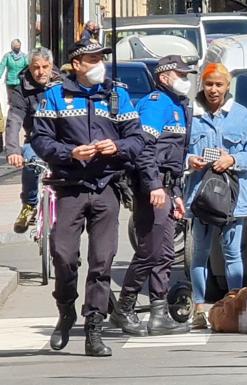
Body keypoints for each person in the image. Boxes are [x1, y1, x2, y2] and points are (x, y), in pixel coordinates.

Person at [31, 39, 144, 356]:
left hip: (106, 187)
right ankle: (66, 309)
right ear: (76, 64)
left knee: (102, 261)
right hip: (69, 187)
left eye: (101, 59)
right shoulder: (55, 96)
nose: (99, 64)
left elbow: (137, 139)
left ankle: (94, 327)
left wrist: (117, 147)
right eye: (92, 59)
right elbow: (40, 139)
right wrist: (69, 153)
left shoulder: (116, 95)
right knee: (63, 256)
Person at [111, 55, 195, 337]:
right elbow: (143, 149)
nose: (185, 79)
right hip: (153, 185)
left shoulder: (179, 106)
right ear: (164, 77)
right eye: (180, 74)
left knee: (166, 253)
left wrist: (178, 192)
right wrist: (153, 185)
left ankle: (159, 312)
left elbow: (176, 156)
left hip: (168, 186)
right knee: (149, 250)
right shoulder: (155, 104)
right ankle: (124, 307)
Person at [184, 63, 247, 329]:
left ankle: (234, 305)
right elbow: (177, 149)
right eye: (209, 84)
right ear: (202, 85)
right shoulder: (190, 115)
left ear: (228, 86)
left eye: (219, 84)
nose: (213, 90)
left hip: (232, 198)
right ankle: (199, 309)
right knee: (200, 255)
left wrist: (232, 159)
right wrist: (190, 160)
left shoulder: (242, 116)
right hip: (201, 196)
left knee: (232, 254)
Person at [5, 47, 61, 234]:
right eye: (36, 67)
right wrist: (13, 150)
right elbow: (14, 119)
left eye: (45, 67)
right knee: (31, 164)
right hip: (36, 140)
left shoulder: (64, 84)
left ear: (51, 66)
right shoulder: (21, 89)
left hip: (63, 139)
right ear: (29, 67)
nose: (41, 72)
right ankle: (29, 205)